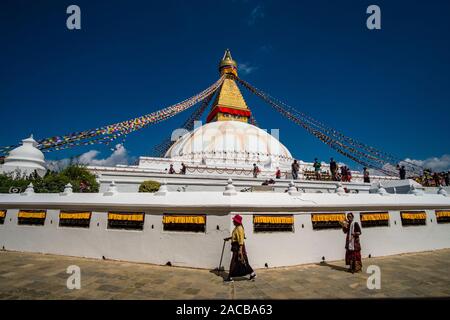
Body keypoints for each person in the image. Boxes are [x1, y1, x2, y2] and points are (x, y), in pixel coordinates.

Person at [224, 215, 256, 282]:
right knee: (242, 261)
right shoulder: (237, 228)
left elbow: (241, 240)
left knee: (235, 261)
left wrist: (240, 250)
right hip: (236, 246)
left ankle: (230, 277)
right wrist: (229, 238)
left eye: (234, 220)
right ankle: (252, 273)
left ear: (236, 221)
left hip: (238, 247)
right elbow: (236, 237)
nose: (233, 221)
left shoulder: (239, 228)